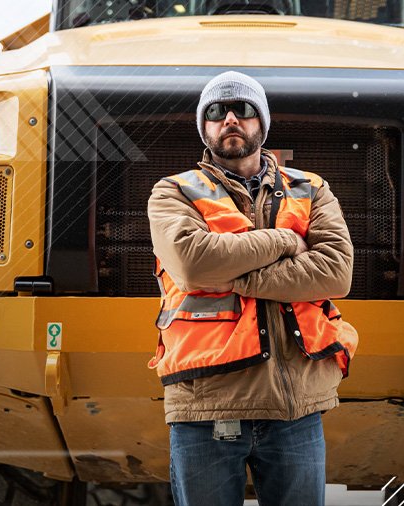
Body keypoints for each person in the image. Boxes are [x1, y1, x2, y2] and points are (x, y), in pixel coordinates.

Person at [147, 71, 359, 506]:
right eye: (215, 112)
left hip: (295, 409)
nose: (229, 120)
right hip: (204, 405)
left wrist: (229, 270)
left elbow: (336, 272)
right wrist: (284, 242)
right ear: (203, 127)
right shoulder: (173, 192)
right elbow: (192, 263)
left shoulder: (311, 189)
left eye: (242, 110)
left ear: (262, 122)